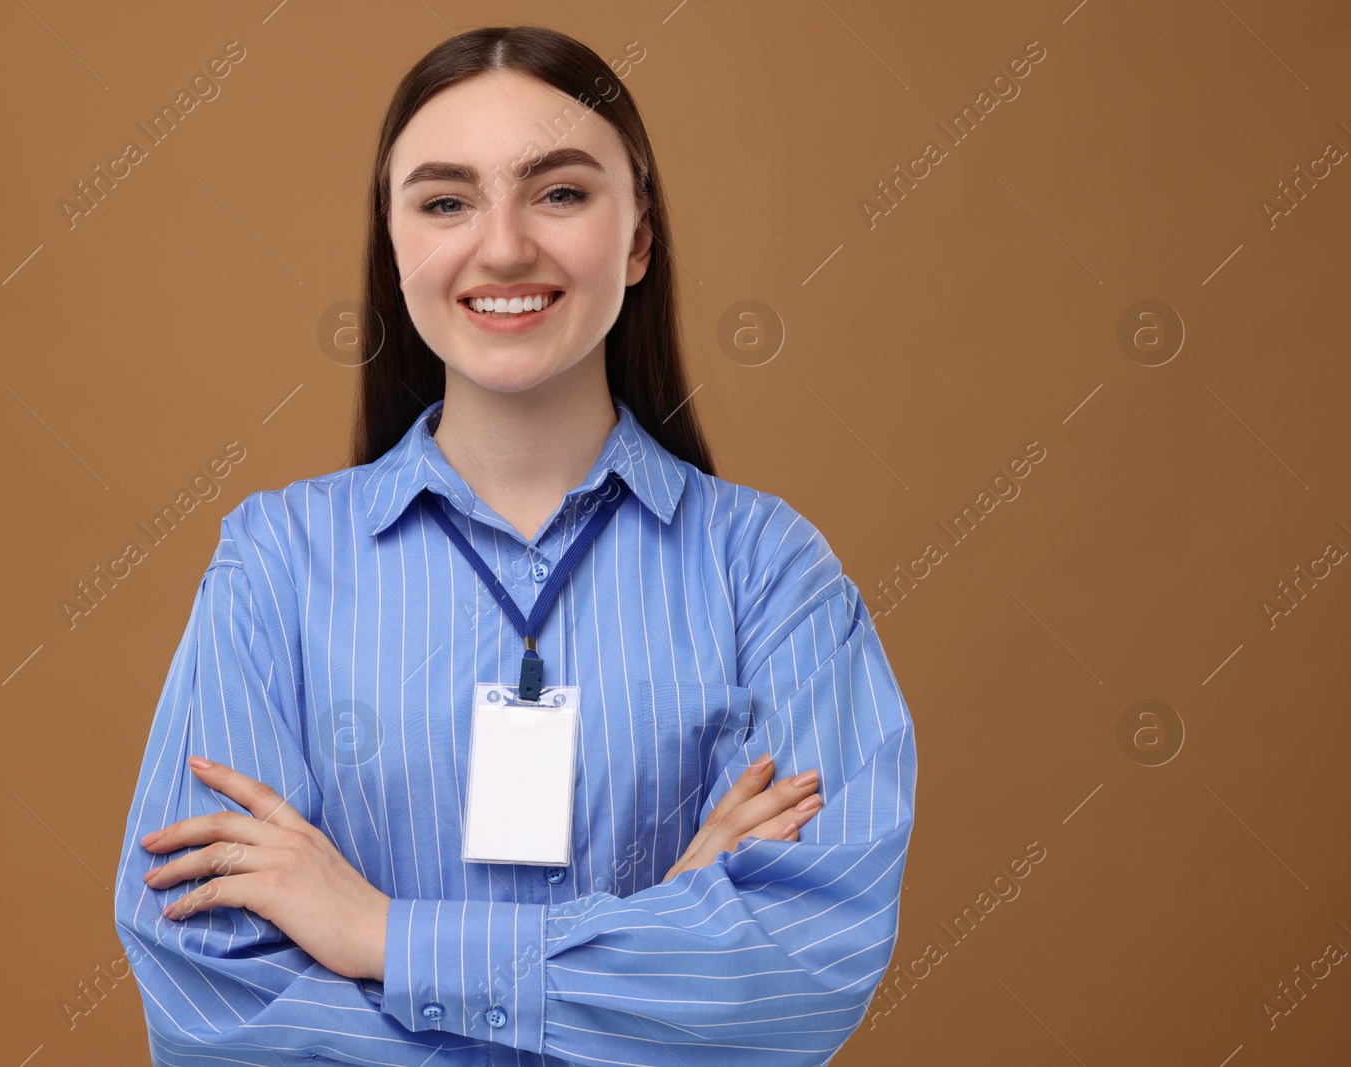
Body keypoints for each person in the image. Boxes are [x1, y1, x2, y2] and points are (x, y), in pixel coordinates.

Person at [113, 24, 916, 1066]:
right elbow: (215, 1010)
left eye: (560, 192)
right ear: (394, 243)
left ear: (637, 238)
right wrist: (663, 928)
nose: (501, 247)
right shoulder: (273, 562)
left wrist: (382, 935)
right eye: (445, 201)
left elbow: (795, 975)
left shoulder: (769, 570)